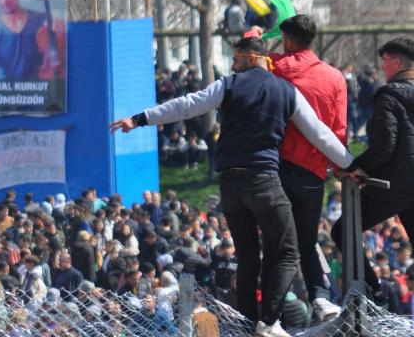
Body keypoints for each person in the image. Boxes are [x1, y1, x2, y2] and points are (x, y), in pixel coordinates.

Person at [110, 36, 354, 337]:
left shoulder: (229, 85)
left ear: (250, 57)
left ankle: (247, 324)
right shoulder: (285, 91)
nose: (233, 66)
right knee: (289, 250)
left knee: (248, 257)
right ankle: (269, 323)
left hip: (229, 183)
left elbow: (188, 106)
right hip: (263, 179)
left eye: (235, 59)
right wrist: (351, 164)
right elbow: (319, 133)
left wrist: (141, 118)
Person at [248, 14, 347, 320]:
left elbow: (249, 54)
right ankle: (320, 296)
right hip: (313, 173)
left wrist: (256, 31)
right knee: (306, 240)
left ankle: (270, 315)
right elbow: (339, 131)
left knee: (275, 241)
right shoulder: (335, 77)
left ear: (288, 40)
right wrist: (336, 167)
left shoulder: (278, 66)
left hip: (275, 168)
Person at [331, 37, 414, 305]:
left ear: (397, 62)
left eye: (385, 61)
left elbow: (384, 147)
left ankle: (374, 295)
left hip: (396, 185)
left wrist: (356, 167)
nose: (383, 68)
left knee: (343, 231)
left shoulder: (389, 95)